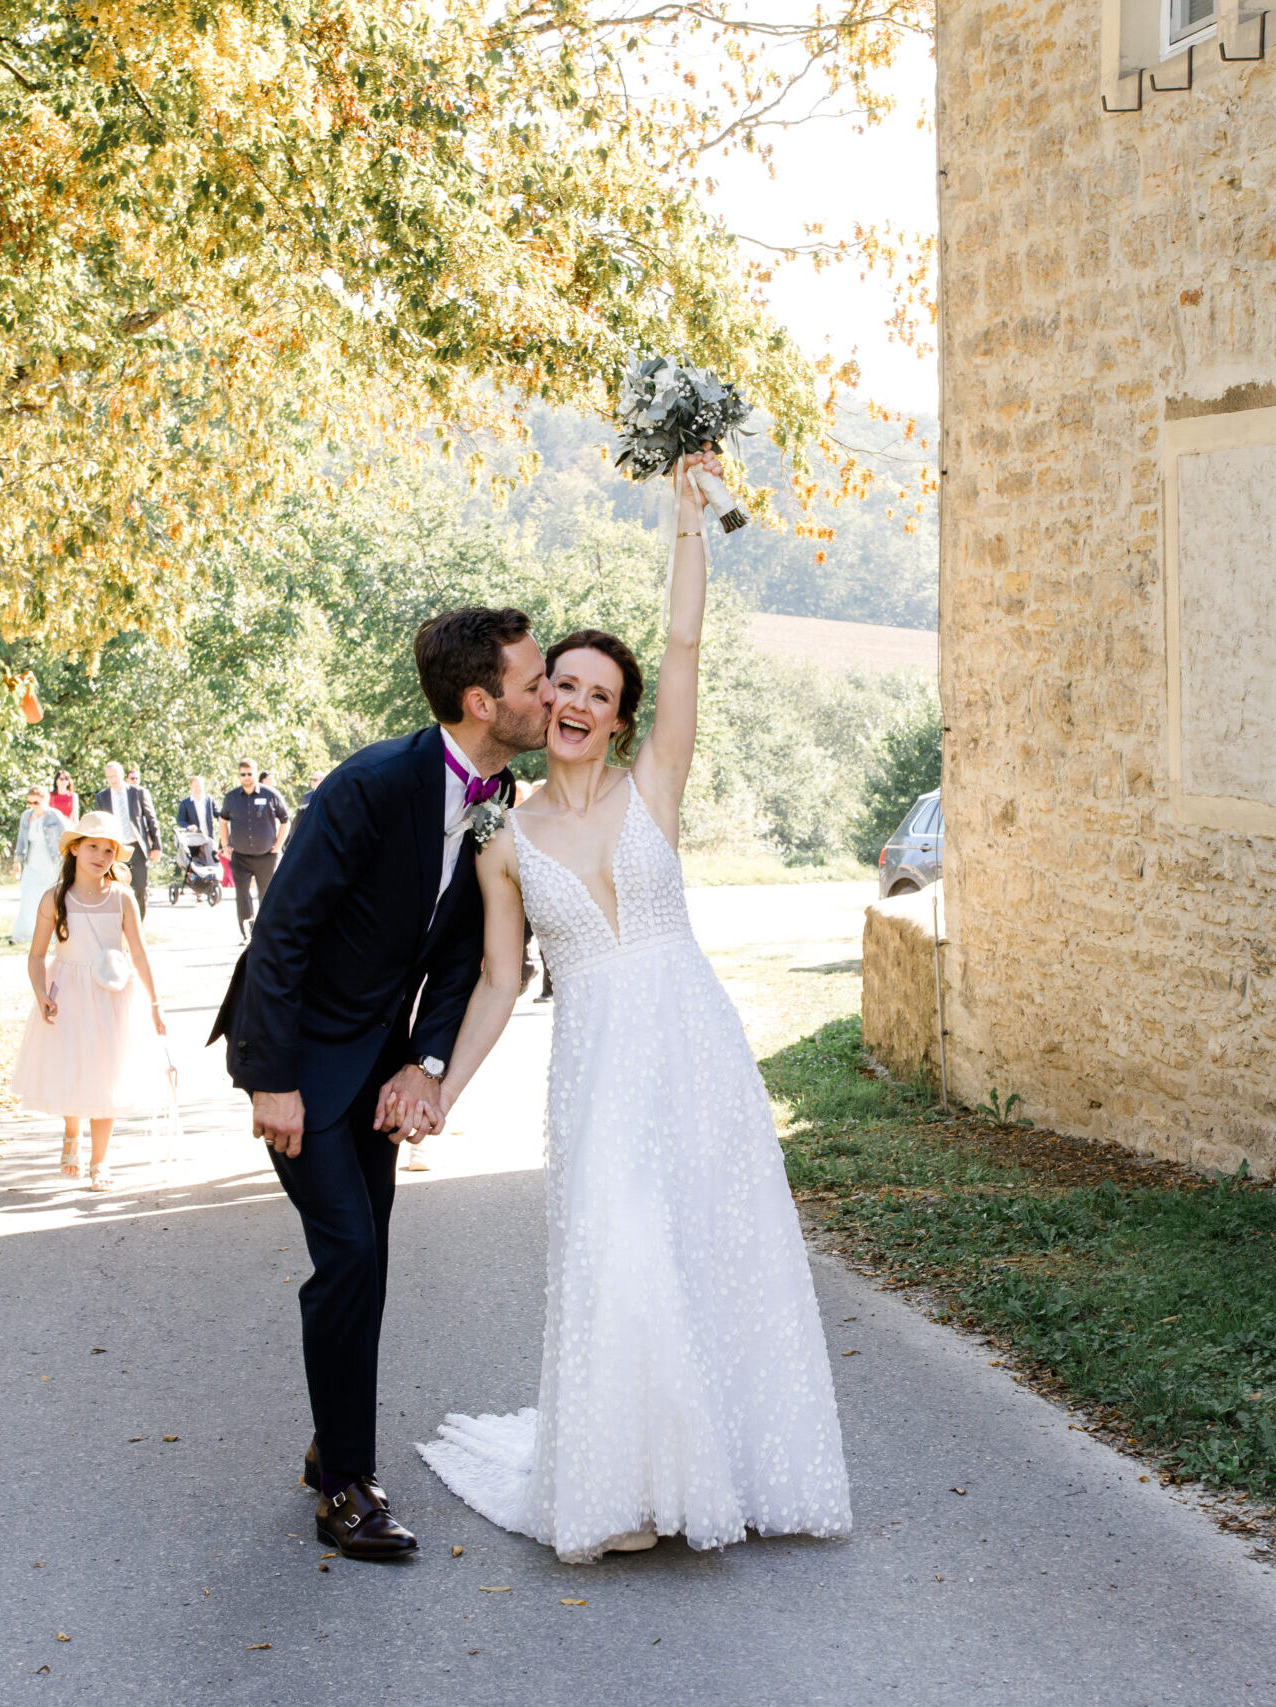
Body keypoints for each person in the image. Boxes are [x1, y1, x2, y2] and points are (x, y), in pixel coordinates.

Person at [415, 453, 852, 1564]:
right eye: (561, 685)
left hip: (695, 1047)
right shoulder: (501, 837)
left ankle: (731, 1466)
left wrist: (685, 520)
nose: (574, 702)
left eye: (599, 694)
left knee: (714, 1245)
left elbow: (686, 642)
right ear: (541, 700)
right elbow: (499, 979)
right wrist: (442, 1088)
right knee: (624, 1257)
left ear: (620, 719)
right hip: (598, 1066)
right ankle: (628, 1484)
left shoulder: (656, 784)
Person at [208, 607, 555, 1560]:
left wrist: (425, 1062)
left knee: (373, 1257)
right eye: (533, 683)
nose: (548, 695)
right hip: (299, 1062)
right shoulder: (369, 784)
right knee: (349, 1256)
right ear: (481, 700)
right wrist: (271, 1080)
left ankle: (332, 1440)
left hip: (376, 1065)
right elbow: (282, 932)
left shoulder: (496, 793)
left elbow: (459, 956)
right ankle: (347, 1489)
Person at [9, 810, 168, 1192]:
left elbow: (139, 953)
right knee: (71, 1066)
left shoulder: (123, 898)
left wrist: (154, 1003)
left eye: (109, 850)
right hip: (68, 991)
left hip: (112, 993)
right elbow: (36, 955)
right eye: (93, 847)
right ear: (75, 849)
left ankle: (100, 1160)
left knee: (105, 1073)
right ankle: (71, 1132)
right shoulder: (55, 898)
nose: (101, 856)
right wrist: (41, 993)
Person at [218, 759, 290, 941]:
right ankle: (246, 932)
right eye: (243, 774)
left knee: (267, 895)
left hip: (266, 855)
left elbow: (285, 820)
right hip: (240, 855)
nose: (246, 778)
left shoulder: (270, 794)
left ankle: (266, 933)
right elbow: (223, 821)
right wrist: (225, 845)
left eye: (250, 774)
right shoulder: (231, 797)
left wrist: (278, 845)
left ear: (256, 774)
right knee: (242, 895)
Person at [95, 762, 162, 919]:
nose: (113, 780)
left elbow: (151, 819)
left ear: (122, 774)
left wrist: (157, 845)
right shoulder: (102, 797)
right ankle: (120, 923)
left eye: (115, 776)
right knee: (116, 889)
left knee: (140, 888)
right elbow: (100, 825)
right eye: (109, 777)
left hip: (136, 847)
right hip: (115, 848)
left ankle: (138, 923)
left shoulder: (138, 793)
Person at [10, 785, 68, 945]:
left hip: (51, 860)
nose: (33, 806)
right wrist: (17, 862)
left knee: (50, 896)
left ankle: (53, 932)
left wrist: (66, 860)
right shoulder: (26, 816)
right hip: (32, 859)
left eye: (36, 802)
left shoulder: (54, 816)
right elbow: (21, 840)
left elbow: (66, 836)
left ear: (44, 800)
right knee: (28, 895)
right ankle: (24, 933)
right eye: (29, 802)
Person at [177, 775, 219, 850]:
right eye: (195, 786)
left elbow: (217, 814)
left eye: (199, 786)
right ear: (191, 787)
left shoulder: (209, 800)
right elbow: (180, 820)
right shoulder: (185, 803)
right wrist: (188, 826)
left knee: (212, 856)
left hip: (209, 838)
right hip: (194, 840)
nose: (197, 788)